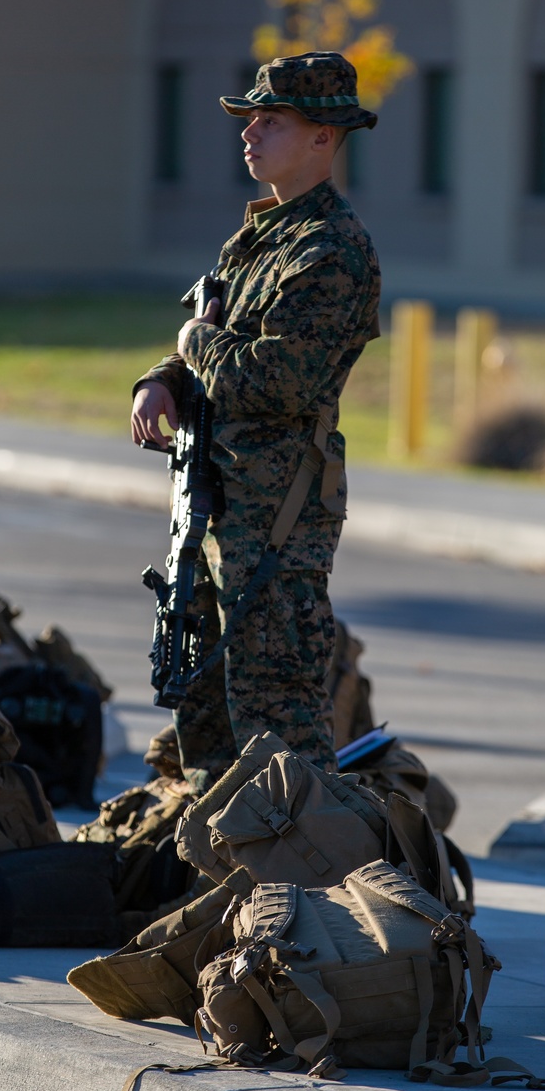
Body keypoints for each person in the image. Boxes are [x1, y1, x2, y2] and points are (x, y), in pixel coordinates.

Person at [130, 51, 381, 793]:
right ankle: (230, 892)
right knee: (208, 732)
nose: (250, 134)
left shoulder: (332, 252)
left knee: (283, 745)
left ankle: (313, 900)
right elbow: (215, 340)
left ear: (322, 137)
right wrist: (163, 379)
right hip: (216, 518)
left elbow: (267, 380)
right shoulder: (257, 240)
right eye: (249, 120)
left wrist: (191, 346)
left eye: (271, 121)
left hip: (276, 534)